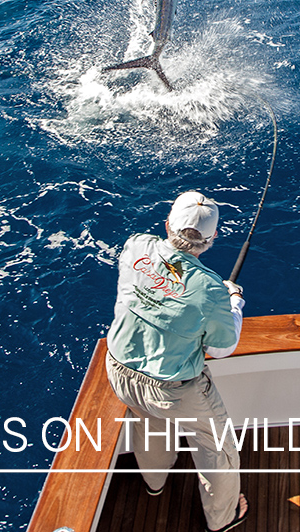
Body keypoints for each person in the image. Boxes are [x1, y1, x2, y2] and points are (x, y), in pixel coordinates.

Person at [105, 190, 248, 532]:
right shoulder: (210, 289)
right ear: (211, 239)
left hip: (119, 370)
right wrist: (233, 302)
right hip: (172, 390)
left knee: (149, 424)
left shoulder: (136, 245)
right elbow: (222, 347)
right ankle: (222, 519)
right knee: (217, 446)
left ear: (168, 223)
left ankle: (154, 483)